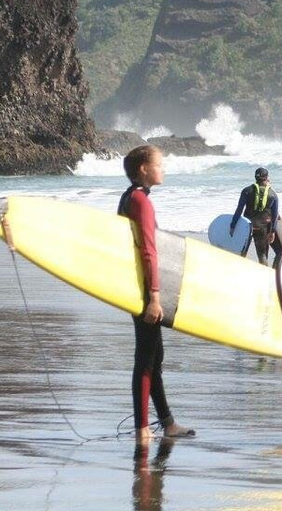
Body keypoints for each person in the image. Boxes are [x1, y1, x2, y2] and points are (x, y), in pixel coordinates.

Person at [118, 144, 194, 443]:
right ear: (143, 169)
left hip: (135, 287)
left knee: (154, 356)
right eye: (159, 164)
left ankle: (167, 423)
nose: (163, 169)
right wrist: (155, 297)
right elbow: (149, 250)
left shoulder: (130, 197)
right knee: (147, 359)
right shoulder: (141, 201)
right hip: (144, 292)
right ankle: (142, 429)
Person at [229, 167, 279, 265]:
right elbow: (275, 215)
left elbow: (239, 210)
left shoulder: (246, 191)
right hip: (262, 228)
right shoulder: (273, 194)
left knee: (241, 254)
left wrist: (233, 225)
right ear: (267, 177)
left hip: (246, 226)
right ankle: (264, 273)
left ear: (255, 177)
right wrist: (272, 231)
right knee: (262, 256)